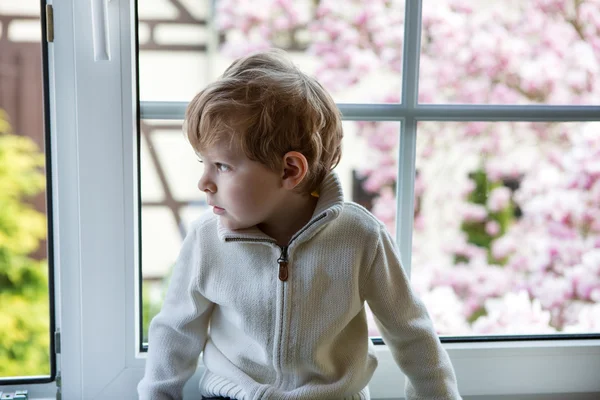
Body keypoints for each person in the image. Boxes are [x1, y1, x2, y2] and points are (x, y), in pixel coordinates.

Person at [138, 49, 461, 400]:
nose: (204, 182)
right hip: (232, 396)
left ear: (290, 171)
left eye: (223, 166)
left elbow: (411, 333)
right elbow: (175, 332)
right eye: (204, 162)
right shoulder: (206, 240)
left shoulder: (360, 237)